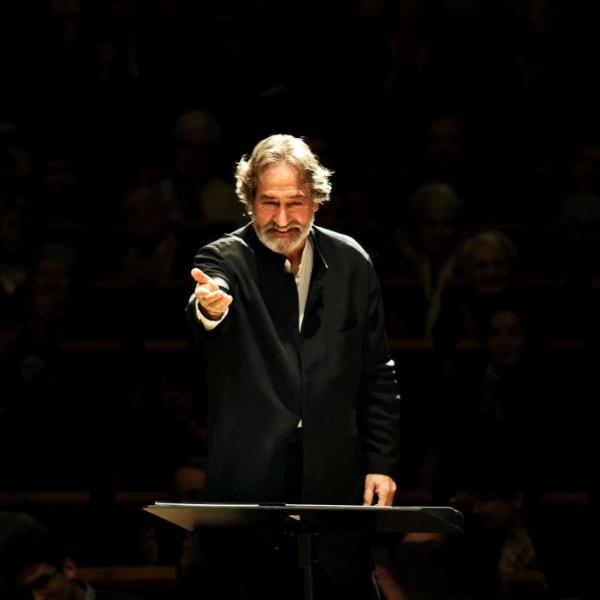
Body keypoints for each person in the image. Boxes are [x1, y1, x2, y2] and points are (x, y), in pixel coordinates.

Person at [185, 134, 401, 599]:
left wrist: (381, 462)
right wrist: (212, 307)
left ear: (317, 201)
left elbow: (378, 371)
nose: (282, 220)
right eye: (268, 203)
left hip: (333, 481)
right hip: (250, 484)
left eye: (295, 202)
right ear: (248, 201)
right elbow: (207, 307)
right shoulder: (224, 259)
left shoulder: (352, 262)